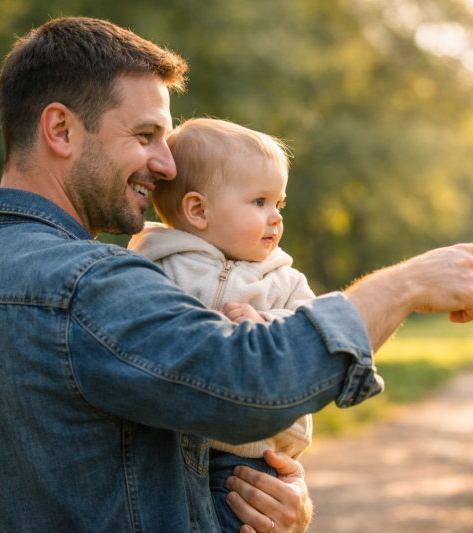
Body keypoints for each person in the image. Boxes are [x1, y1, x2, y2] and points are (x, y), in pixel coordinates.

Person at [0, 16, 473, 533]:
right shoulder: (89, 285)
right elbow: (251, 384)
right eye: (145, 135)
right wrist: (403, 285)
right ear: (60, 129)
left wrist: (260, 509)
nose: (165, 164)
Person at [128, 117, 316, 532]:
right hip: (167, 449)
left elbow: (311, 329)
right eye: (259, 202)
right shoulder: (156, 263)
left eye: (278, 204)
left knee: (246, 519)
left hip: (249, 455)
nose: (275, 218)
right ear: (198, 209)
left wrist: (267, 323)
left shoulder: (283, 278)